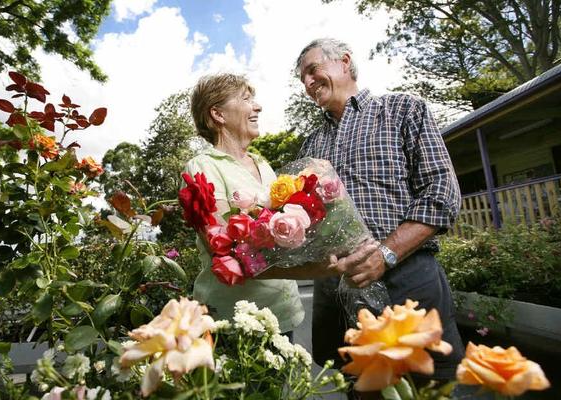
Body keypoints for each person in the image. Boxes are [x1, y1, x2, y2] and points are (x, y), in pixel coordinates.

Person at [294, 38, 465, 383]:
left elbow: (442, 191)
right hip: (338, 287)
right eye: (302, 79)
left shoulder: (404, 109)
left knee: (430, 382)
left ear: (344, 61)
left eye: (313, 71)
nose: (308, 83)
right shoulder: (310, 145)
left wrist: (385, 253)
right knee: (360, 384)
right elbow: (307, 221)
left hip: (407, 275)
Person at [183, 73, 306, 337]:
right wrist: (315, 269)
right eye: (246, 99)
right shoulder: (202, 167)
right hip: (235, 322)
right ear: (218, 114)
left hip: (284, 313)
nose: (258, 107)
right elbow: (225, 251)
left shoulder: (263, 164)